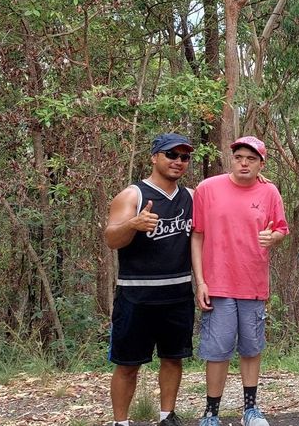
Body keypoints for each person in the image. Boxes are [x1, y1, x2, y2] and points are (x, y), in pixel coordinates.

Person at [192, 136, 289, 426]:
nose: (244, 163)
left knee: (251, 348)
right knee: (218, 350)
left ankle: (251, 409)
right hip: (218, 282)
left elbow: (282, 229)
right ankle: (211, 413)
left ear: (261, 163)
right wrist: (201, 281)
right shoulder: (208, 189)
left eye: (251, 158)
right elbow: (197, 235)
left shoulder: (270, 192)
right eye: (239, 157)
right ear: (231, 159)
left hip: (253, 283)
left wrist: (273, 237)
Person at [104, 133, 196, 426]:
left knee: (173, 358)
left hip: (178, 292)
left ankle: (167, 416)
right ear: (155, 157)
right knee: (127, 364)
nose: (178, 162)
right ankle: (121, 421)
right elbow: (110, 239)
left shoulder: (191, 196)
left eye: (184, 157)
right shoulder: (133, 195)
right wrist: (133, 224)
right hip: (136, 295)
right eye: (171, 155)